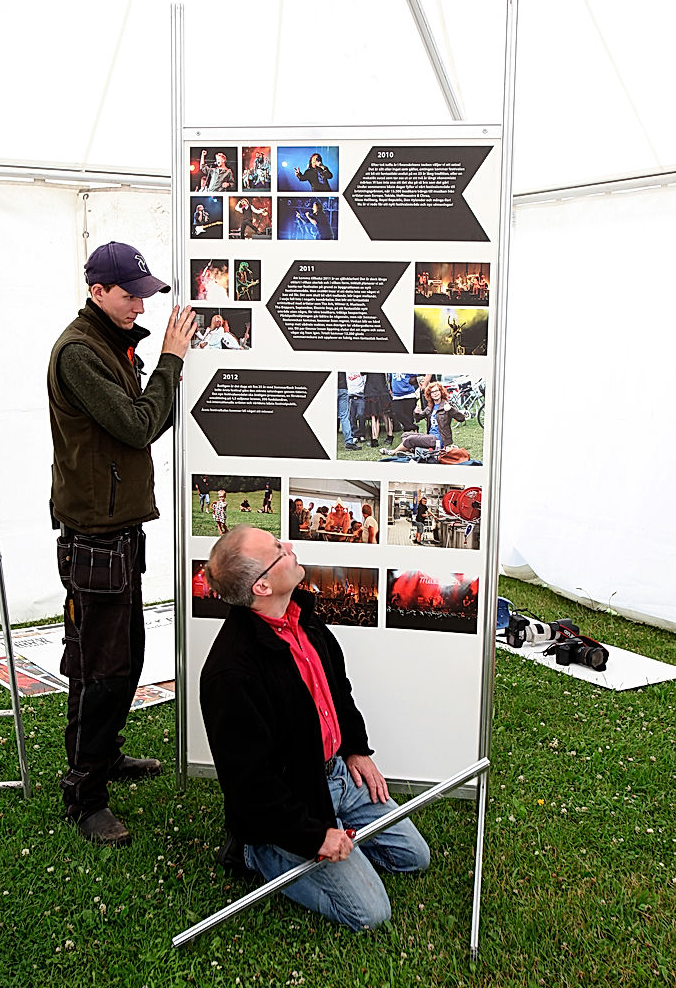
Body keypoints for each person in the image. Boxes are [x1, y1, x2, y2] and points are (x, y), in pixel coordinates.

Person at [200, 527, 430, 931]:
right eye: (277, 549)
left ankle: (339, 823)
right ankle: (255, 851)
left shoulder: (303, 618)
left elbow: (338, 693)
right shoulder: (230, 673)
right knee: (370, 913)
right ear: (262, 585)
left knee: (414, 857)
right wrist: (312, 836)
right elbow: (249, 785)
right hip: (292, 800)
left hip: (336, 774)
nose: (289, 547)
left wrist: (357, 749)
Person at [47, 240, 196, 846]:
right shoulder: (80, 353)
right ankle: (85, 794)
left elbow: (138, 423)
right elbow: (138, 425)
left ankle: (103, 759)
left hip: (116, 531)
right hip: (94, 537)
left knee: (122, 657)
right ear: (97, 291)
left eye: (144, 293)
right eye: (130, 294)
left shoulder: (110, 345)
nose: (141, 303)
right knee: (99, 667)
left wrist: (155, 363)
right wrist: (171, 361)